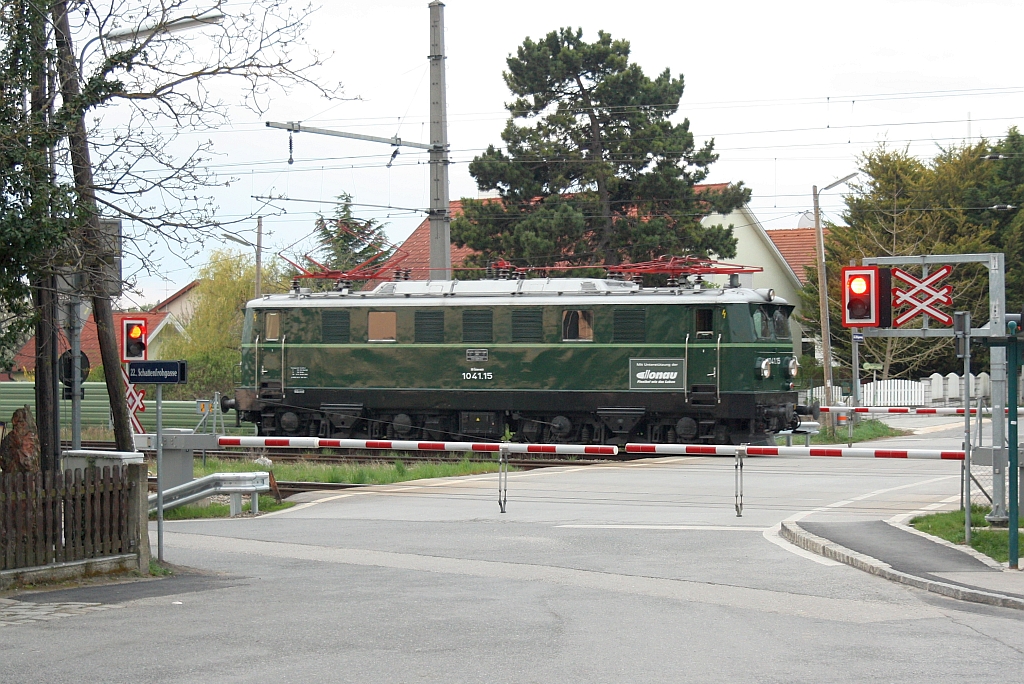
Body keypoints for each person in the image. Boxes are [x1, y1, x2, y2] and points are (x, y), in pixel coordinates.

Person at [0, 405, 41, 476]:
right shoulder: (9, 438)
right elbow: (5, 459)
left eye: (21, 423)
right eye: (16, 424)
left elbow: (30, 463)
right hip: (12, 476)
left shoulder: (31, 437)